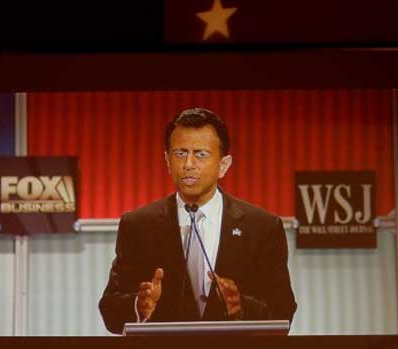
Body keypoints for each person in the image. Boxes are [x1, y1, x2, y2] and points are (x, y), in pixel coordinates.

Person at [99, 107, 297, 334]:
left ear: (224, 165)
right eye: (180, 153)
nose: (188, 164)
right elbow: (109, 309)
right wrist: (139, 305)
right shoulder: (138, 226)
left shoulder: (262, 227)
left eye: (201, 154)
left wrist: (241, 307)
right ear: (167, 160)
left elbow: (283, 311)